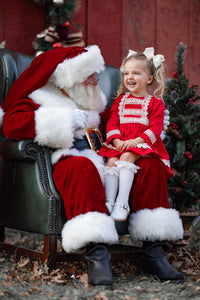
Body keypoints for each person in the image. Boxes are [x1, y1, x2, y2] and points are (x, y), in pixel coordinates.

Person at [0, 45, 184, 285]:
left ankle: (154, 251)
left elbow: (119, 125)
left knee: (150, 165)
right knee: (81, 167)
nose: (96, 79)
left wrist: (149, 124)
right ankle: (97, 255)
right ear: (72, 78)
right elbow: (11, 124)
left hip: (106, 158)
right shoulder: (39, 98)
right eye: (89, 75)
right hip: (65, 159)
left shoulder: (94, 102)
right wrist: (61, 121)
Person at [99, 47, 172, 222]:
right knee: (112, 161)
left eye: (136, 73)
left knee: (126, 158)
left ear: (149, 79)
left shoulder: (155, 104)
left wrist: (136, 141)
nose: (130, 77)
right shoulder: (120, 101)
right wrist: (116, 140)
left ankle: (122, 203)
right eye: (126, 73)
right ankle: (109, 201)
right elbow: (112, 122)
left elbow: (155, 128)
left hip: (143, 144)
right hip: (121, 143)